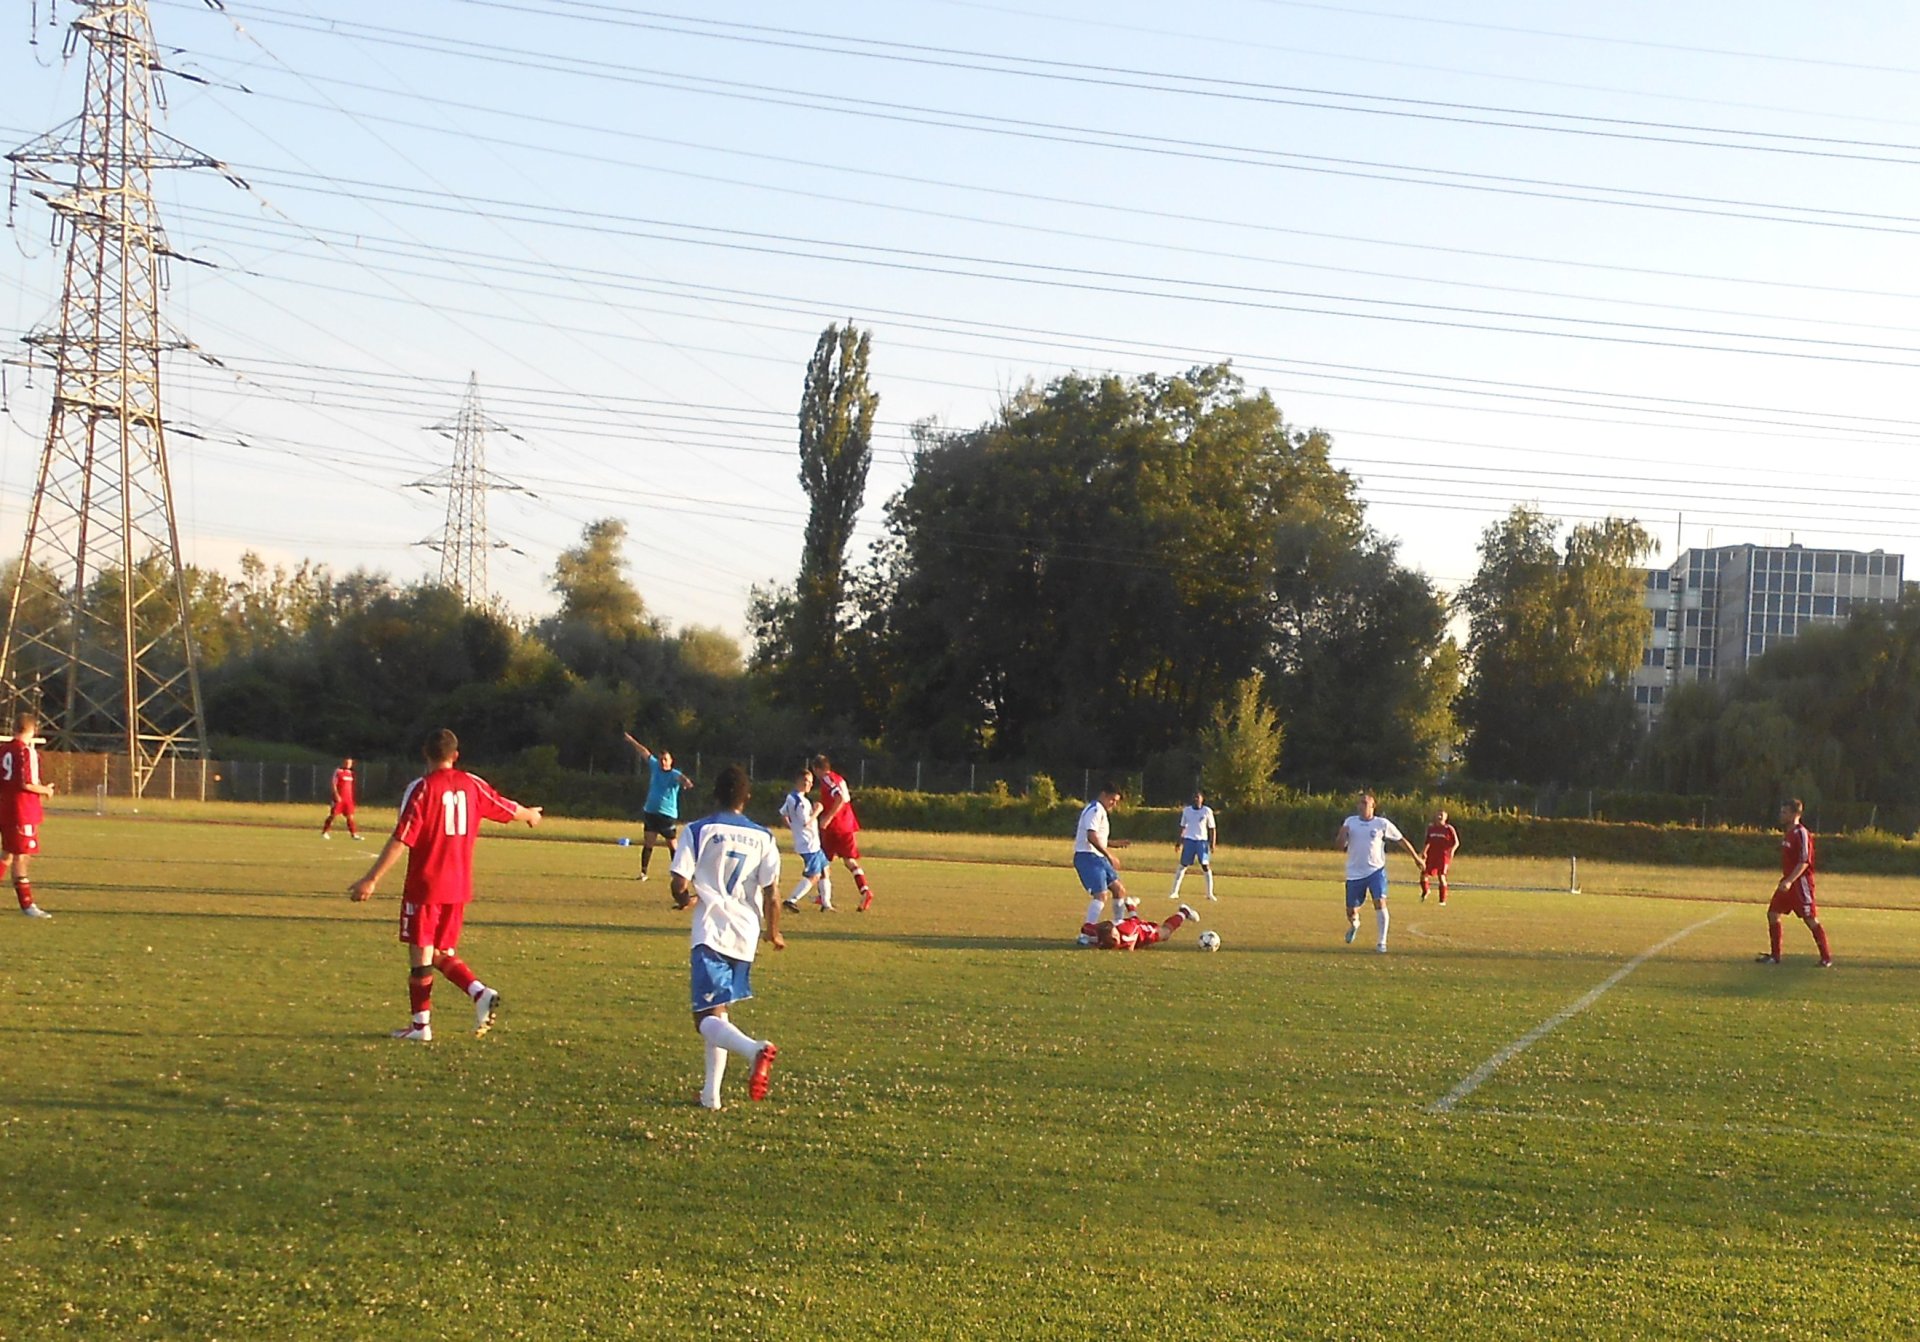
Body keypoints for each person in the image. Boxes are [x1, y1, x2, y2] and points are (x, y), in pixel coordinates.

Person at [348, 728, 543, 1041]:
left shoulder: (422, 788)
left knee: (421, 955)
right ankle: (479, 993)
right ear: (455, 755)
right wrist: (530, 814)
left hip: (426, 885)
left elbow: (402, 838)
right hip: (459, 886)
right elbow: (506, 807)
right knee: (440, 952)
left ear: (425, 753)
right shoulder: (472, 783)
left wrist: (371, 879)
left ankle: (420, 1027)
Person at [672, 764, 784, 1110]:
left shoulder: (698, 830)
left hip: (712, 931)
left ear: (715, 794)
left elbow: (679, 883)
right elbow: (773, 893)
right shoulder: (764, 837)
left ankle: (754, 1050)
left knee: (704, 1019)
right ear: (746, 798)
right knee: (718, 1013)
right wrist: (774, 932)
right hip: (746, 933)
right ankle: (711, 1096)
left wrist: (685, 899)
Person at [1336, 790, 1421, 953]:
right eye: (1360, 803)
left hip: (1376, 870)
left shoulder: (1382, 823)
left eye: (1365, 803)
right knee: (1351, 911)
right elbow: (1340, 846)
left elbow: (1401, 840)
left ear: (1373, 806)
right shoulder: (1350, 822)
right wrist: (1342, 835)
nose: (1361, 806)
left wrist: (1416, 858)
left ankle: (1382, 942)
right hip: (1354, 872)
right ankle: (1355, 924)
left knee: (1380, 902)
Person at [1757, 798, 1833, 968]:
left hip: (1800, 883)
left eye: (1784, 812)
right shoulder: (1789, 833)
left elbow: (1804, 861)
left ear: (1794, 814)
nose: (1781, 815)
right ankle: (1775, 956)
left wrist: (1790, 881)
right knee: (1773, 913)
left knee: (1810, 918)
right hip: (1788, 882)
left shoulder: (1801, 833)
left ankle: (1826, 957)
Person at [0, 709, 55, 919]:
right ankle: (28, 905)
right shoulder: (26, 752)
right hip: (21, 811)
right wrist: (46, 790)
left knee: (7, 854)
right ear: (33, 729)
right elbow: (28, 783)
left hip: (5, 808)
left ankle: (27, 906)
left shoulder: (3, 749)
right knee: (21, 857)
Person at [624, 732, 694, 882]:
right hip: (651, 812)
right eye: (661, 759)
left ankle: (678, 873)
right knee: (648, 843)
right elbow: (644, 752)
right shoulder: (655, 767)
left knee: (672, 845)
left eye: (665, 760)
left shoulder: (674, 774)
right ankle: (643, 872)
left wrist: (686, 782)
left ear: (671, 761)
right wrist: (631, 741)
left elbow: (682, 778)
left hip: (667, 815)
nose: (662, 762)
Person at [811, 752, 874, 912]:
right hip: (847, 824)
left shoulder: (827, 779)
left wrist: (828, 818)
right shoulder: (838, 778)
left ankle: (823, 896)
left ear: (816, 769)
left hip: (835, 827)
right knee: (849, 861)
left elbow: (839, 798)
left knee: (822, 861)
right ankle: (865, 890)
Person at [1074, 782, 1130, 928]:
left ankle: (1119, 926)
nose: (1114, 804)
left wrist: (1113, 844)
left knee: (1119, 890)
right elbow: (1091, 836)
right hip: (1087, 857)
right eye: (1112, 800)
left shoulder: (1101, 811)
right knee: (1100, 895)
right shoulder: (1095, 810)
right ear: (1104, 795)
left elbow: (1098, 838)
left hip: (1098, 858)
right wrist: (1109, 855)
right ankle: (1086, 934)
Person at [778, 766, 833, 913]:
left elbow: (783, 813)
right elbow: (806, 822)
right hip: (808, 844)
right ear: (799, 781)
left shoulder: (792, 797)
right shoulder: (800, 802)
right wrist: (818, 811)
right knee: (814, 875)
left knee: (825, 870)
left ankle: (826, 904)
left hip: (812, 843)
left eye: (811, 781)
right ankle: (791, 900)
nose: (809, 784)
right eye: (807, 781)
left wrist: (792, 827)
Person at [1078, 903, 1199, 950]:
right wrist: (1086, 934)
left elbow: (1131, 944)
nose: (1116, 938)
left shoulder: (1127, 933)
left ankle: (1184, 912)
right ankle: (1131, 905)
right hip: (1131, 925)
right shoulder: (1101, 931)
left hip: (1144, 933)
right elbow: (1086, 928)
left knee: (1165, 933)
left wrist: (1132, 909)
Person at [1168, 789, 1218, 902]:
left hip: (1202, 841)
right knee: (1183, 865)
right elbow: (1183, 827)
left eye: (1198, 797)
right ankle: (1174, 892)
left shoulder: (1207, 811)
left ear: (1202, 799)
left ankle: (1209, 893)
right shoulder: (1187, 811)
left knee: (1205, 866)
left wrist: (1212, 843)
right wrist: (1179, 842)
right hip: (1189, 840)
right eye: (1194, 797)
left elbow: (1212, 828)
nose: (1196, 799)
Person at [1419, 809, 1460, 905]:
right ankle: (1426, 891)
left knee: (1441, 876)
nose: (1439, 817)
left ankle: (1442, 900)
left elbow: (1456, 843)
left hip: (1443, 856)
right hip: (1431, 855)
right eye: (1438, 815)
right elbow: (1427, 841)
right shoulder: (1431, 828)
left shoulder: (1449, 829)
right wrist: (1424, 851)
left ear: (1446, 817)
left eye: (1441, 815)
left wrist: (1452, 851)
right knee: (1423, 874)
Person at [320, 756, 362, 840]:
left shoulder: (351, 773)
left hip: (348, 799)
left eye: (350, 763)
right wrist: (336, 795)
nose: (348, 764)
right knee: (333, 815)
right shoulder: (338, 771)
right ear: (343, 763)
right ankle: (325, 832)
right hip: (339, 798)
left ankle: (354, 834)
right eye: (346, 763)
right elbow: (333, 783)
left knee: (350, 817)